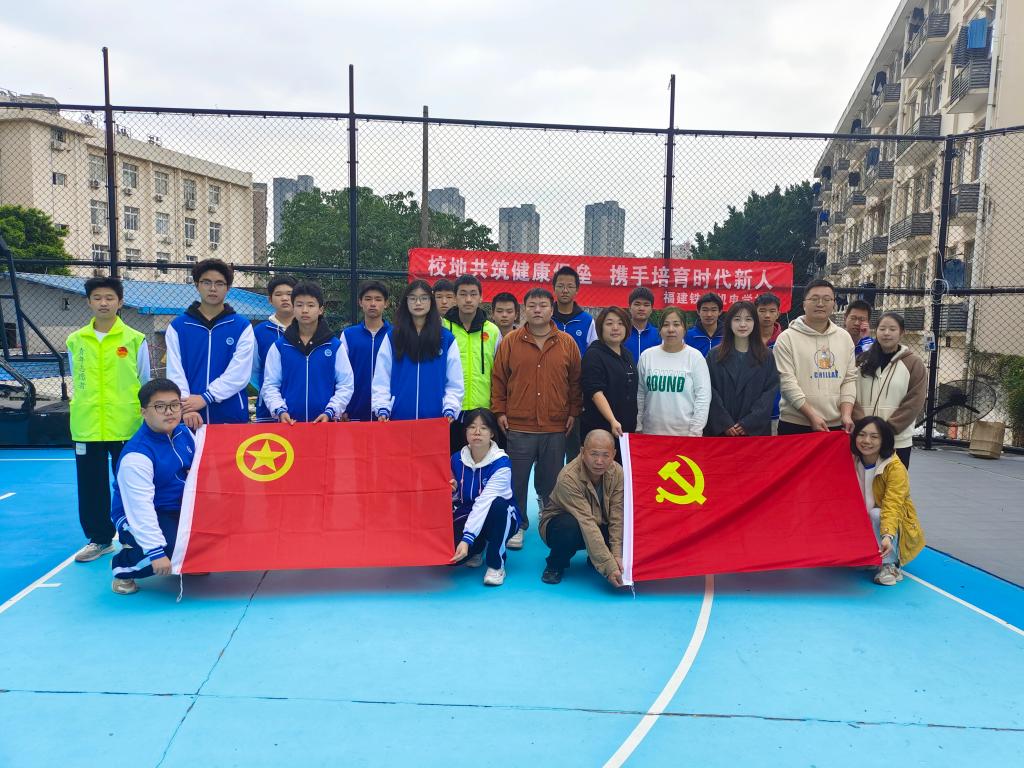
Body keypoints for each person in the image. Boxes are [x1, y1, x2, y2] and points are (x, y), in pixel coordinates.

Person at [66, 276, 151, 563]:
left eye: (109, 298)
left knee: (129, 483)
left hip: (126, 424)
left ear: (120, 302)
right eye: (97, 298)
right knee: (91, 485)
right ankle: (100, 539)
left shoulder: (135, 339)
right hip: (87, 425)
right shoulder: (75, 340)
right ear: (89, 302)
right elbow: (77, 379)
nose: (104, 303)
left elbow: (145, 381)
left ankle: (133, 537)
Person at [491, 287, 582, 549]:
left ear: (552, 309)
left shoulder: (567, 343)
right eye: (532, 305)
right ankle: (518, 524)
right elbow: (499, 379)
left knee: (550, 478)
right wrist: (500, 411)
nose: (537, 310)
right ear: (524, 310)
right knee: (517, 479)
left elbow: (575, 382)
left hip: (555, 424)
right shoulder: (510, 341)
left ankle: (548, 519)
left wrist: (573, 412)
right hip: (519, 424)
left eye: (543, 305)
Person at [109, 378, 196, 595]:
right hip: (143, 513)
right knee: (169, 549)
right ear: (143, 412)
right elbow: (141, 508)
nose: (169, 412)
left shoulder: (184, 434)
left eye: (174, 405)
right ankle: (124, 567)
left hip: (178, 506)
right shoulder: (137, 456)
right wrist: (156, 552)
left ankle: (189, 558)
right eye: (160, 406)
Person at [165, 258, 255, 428]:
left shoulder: (241, 326)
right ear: (196, 285)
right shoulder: (178, 326)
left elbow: (240, 373)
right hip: (191, 417)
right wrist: (186, 407)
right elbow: (174, 371)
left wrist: (207, 397)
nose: (213, 288)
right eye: (206, 282)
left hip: (230, 415)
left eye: (219, 283)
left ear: (228, 287)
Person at [538, 430, 624, 588]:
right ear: (583, 452)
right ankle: (555, 565)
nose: (599, 461)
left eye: (605, 455)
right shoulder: (568, 477)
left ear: (614, 454)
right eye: (594, 454)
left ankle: (596, 558)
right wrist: (609, 567)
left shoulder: (618, 472)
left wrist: (617, 554)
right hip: (565, 526)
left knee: (628, 522)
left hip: (598, 522)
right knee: (568, 526)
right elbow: (586, 521)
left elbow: (617, 515)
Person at [261, 281, 354, 424]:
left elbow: (345, 384)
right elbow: (270, 385)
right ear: (293, 308)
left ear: (320, 310)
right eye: (299, 305)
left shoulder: (334, 346)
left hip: (324, 425)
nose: (304, 310)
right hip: (290, 424)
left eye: (311, 305)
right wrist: (279, 410)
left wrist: (331, 411)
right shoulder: (280, 346)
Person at [773, 279, 857, 434]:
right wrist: (811, 416)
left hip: (837, 425)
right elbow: (786, 382)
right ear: (804, 304)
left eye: (827, 299)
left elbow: (849, 379)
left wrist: (846, 415)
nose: (820, 304)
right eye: (814, 299)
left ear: (834, 304)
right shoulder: (787, 338)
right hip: (795, 423)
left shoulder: (844, 338)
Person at [449, 408, 521, 587]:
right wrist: (452, 490)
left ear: (492, 433)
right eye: (472, 427)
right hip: (468, 515)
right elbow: (457, 499)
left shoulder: (501, 463)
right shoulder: (456, 459)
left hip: (498, 515)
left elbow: (483, 502)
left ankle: (496, 564)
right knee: (449, 557)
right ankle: (478, 546)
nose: (477, 432)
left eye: (483, 428)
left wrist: (466, 539)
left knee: (498, 505)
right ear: (465, 432)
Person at [372, 280, 463, 421]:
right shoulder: (393, 337)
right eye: (413, 298)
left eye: (424, 298)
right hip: (397, 419)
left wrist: (450, 407)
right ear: (406, 302)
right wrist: (382, 407)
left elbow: (454, 382)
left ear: (431, 301)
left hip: (435, 420)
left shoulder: (446, 339)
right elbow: (382, 378)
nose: (418, 303)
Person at [851, 416, 925, 586]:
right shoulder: (852, 460)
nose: (866, 441)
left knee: (876, 513)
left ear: (884, 440)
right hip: (864, 518)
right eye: (861, 435)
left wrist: (887, 536)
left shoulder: (895, 468)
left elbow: (892, 505)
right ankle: (869, 555)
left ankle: (890, 565)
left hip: (892, 522)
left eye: (874, 437)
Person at [852, 312, 927, 468]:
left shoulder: (914, 363)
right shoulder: (861, 361)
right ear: (876, 331)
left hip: (897, 441)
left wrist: (887, 430)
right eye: (882, 329)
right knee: (860, 481)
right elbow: (850, 393)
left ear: (902, 332)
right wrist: (862, 426)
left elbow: (915, 401)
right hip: (863, 439)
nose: (886, 333)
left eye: (892, 329)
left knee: (893, 482)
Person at [443, 274, 501, 453]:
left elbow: (500, 373)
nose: (468, 299)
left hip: (482, 411)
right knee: (449, 461)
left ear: (481, 297)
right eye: (463, 294)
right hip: (448, 410)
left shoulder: (492, 331)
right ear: (454, 297)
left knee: (479, 461)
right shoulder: (442, 328)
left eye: (473, 294)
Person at [704, 301, 779, 437]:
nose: (743, 324)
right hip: (721, 431)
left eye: (748, 319)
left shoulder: (766, 356)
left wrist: (749, 423)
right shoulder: (714, 355)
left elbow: (769, 393)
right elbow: (708, 390)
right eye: (737, 319)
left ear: (755, 323)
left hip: (754, 432)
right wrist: (724, 422)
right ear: (729, 323)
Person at [636, 306, 711, 436]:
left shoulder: (695, 357)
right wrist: (638, 426)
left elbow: (703, 398)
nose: (671, 329)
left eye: (676, 324)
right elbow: (640, 394)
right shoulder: (647, 356)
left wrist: (695, 432)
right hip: (650, 433)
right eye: (666, 325)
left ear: (684, 329)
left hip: (685, 435)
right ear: (660, 330)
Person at [552, 266, 596, 463]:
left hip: (576, 392)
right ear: (554, 288)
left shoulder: (587, 321)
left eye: (570, 286)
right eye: (560, 285)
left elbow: (593, 354)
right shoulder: (546, 317)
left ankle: (573, 481)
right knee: (549, 450)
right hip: (549, 389)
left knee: (574, 448)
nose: (565, 290)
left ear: (577, 290)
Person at [580, 306, 638, 452]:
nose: (615, 328)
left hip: (625, 429)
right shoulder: (594, 355)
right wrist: (612, 420)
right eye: (609, 323)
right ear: (601, 327)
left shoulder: (627, 354)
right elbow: (595, 392)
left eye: (620, 323)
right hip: (602, 429)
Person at [340, 280, 392, 421]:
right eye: (368, 299)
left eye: (378, 299)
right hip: (354, 412)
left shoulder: (395, 335)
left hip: (388, 414)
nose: (373, 303)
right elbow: (340, 374)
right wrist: (343, 407)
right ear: (360, 302)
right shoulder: (348, 335)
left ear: (386, 303)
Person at [251, 275, 296, 422]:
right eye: (278, 294)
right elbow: (254, 370)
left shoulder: (309, 330)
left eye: (289, 294)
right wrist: (268, 392)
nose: (285, 298)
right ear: (270, 300)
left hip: (301, 409)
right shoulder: (260, 331)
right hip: (268, 411)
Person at [755, 292, 784, 434]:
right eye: (762, 311)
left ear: (778, 313)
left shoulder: (785, 340)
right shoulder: (745, 339)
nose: (767, 315)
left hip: (778, 408)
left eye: (772, 311)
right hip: (750, 410)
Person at [624, 286, 660, 363]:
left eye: (646, 305)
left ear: (651, 309)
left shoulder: (659, 335)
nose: (641, 308)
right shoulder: (621, 332)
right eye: (637, 304)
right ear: (629, 308)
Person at [684, 292, 724, 357]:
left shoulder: (727, 336)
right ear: (698, 311)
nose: (709, 314)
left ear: (720, 312)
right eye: (705, 310)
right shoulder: (688, 336)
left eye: (713, 310)